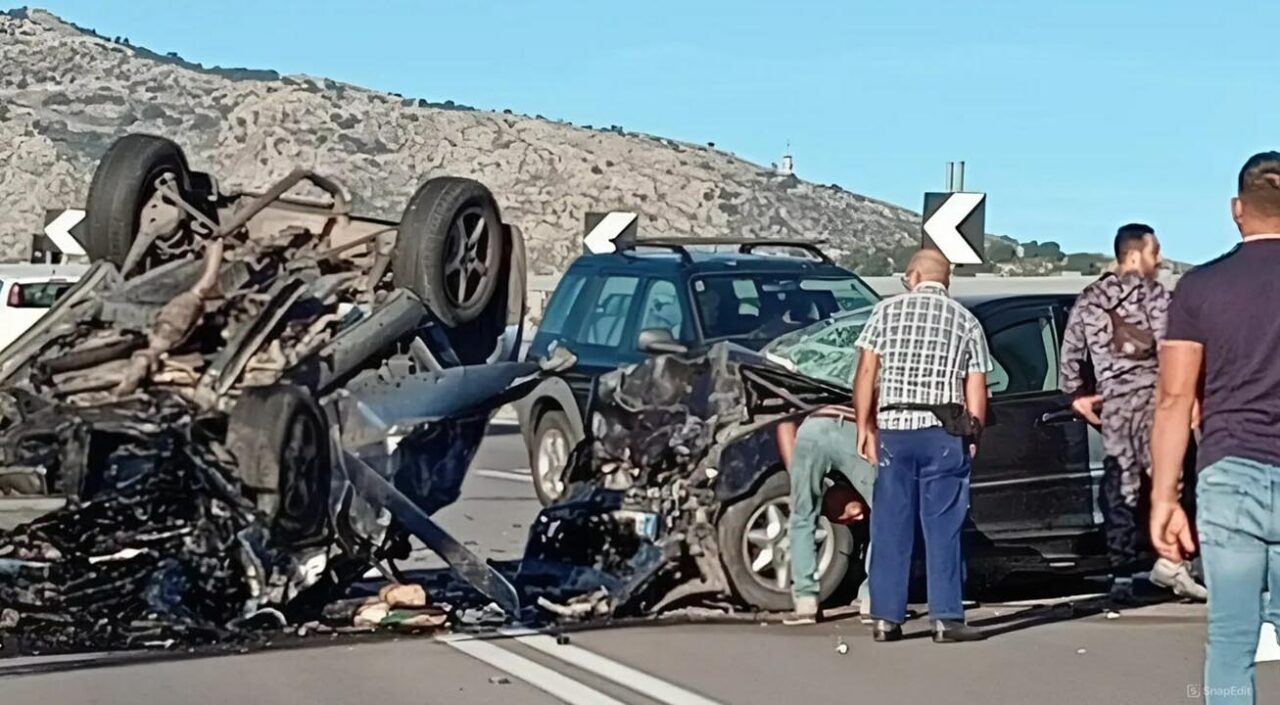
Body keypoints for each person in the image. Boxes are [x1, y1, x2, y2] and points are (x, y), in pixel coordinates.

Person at [1151, 152, 1280, 705]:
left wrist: (1164, 497)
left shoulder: (1200, 289)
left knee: (1231, 640)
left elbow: (1175, 397)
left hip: (1231, 473)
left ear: (1236, 210)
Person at [1059, 223, 1206, 605]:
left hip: (1116, 408)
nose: (1160, 260)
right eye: (1155, 252)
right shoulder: (1159, 298)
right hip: (1159, 405)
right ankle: (1175, 562)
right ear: (1135, 255)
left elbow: (1070, 355)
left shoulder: (1090, 300)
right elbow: (1176, 350)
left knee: (1121, 490)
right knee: (1172, 483)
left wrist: (1078, 395)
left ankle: (1121, 576)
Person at [853, 249, 991, 643]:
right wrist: (974, 433)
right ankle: (946, 618)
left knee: (891, 524)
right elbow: (976, 385)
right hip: (943, 433)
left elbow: (866, 371)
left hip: (895, 428)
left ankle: (886, 618)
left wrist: (865, 425)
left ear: (913, 276)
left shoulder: (885, 312)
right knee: (944, 525)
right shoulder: (966, 320)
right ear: (945, 280)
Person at [776, 405, 876, 625]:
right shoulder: (863, 370)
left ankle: (805, 603)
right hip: (853, 425)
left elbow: (785, 421)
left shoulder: (804, 371)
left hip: (811, 427)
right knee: (883, 513)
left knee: (803, 516)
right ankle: (873, 599)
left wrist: (801, 484)